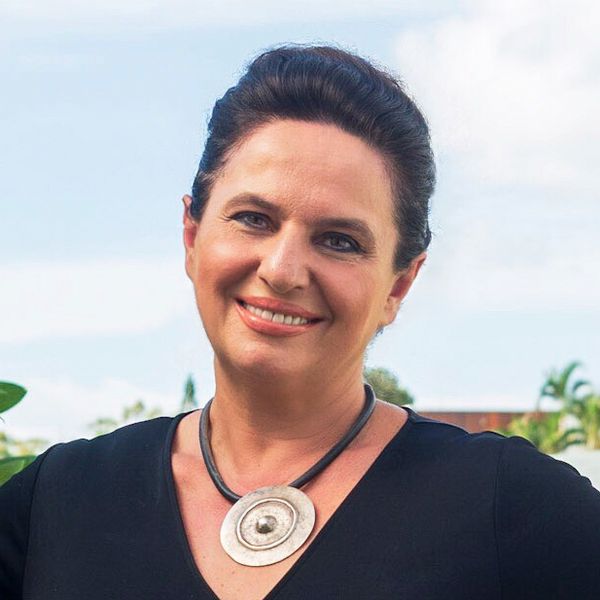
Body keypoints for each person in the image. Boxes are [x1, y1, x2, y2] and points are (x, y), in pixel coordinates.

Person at [1, 44, 599, 600]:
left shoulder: (517, 511)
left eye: (339, 240)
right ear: (192, 236)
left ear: (398, 285)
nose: (283, 270)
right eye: (253, 218)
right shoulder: (56, 503)